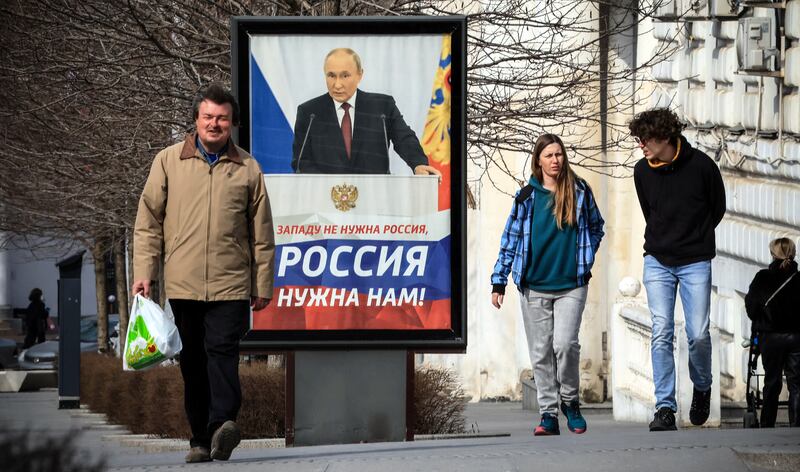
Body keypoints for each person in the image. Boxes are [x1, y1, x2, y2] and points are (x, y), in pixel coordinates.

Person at [132, 83, 275, 463]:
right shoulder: (167, 161)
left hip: (231, 283)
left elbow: (262, 234)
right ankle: (199, 438)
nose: (215, 124)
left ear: (232, 124)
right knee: (193, 361)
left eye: (222, 119)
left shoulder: (248, 168)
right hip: (183, 281)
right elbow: (148, 222)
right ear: (196, 119)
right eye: (208, 116)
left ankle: (222, 424)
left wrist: (262, 283)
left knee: (223, 353)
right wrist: (145, 272)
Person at [490, 134, 604, 436]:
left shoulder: (579, 191)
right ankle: (548, 414)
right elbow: (510, 239)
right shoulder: (526, 197)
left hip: (571, 283)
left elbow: (597, 226)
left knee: (565, 344)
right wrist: (498, 281)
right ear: (538, 160)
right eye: (549, 155)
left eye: (559, 155)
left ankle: (570, 401)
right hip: (534, 285)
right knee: (541, 352)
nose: (556, 160)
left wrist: (586, 256)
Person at [629, 108, 726, 431]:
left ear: (665, 137)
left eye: (646, 139)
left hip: (695, 260)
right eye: (639, 139)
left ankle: (702, 385)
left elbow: (717, 207)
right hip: (657, 260)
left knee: (698, 333)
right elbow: (650, 211)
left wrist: (695, 238)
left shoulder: (701, 166)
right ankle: (665, 407)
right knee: (661, 331)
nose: (641, 145)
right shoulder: (642, 171)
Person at [292, 47, 442, 176]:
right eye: (331, 75)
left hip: (375, 199)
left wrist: (418, 164)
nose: (337, 84)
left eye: (345, 75)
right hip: (327, 201)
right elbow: (301, 162)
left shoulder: (382, 107)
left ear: (360, 75)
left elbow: (404, 138)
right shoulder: (309, 113)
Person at [744, 237, 800, 427]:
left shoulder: (762, 277)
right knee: (796, 383)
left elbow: (751, 308)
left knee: (772, 382)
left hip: (771, 337)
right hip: (796, 337)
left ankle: (767, 425)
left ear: (772, 254)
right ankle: (796, 426)